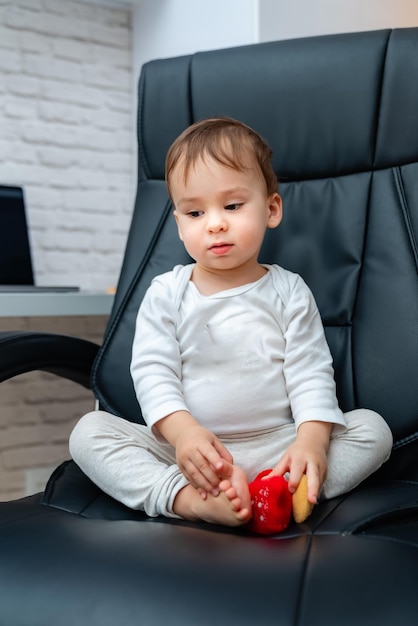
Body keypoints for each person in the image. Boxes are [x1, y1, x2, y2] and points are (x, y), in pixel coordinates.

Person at [69, 117, 393, 531]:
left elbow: (310, 372)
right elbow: (153, 373)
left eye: (233, 206)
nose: (215, 223)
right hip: (191, 453)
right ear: (178, 223)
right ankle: (187, 499)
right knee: (89, 432)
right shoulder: (167, 292)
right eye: (195, 211)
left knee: (373, 430)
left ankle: (277, 492)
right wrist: (184, 434)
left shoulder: (289, 290)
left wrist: (310, 441)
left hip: (278, 444)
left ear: (271, 209)